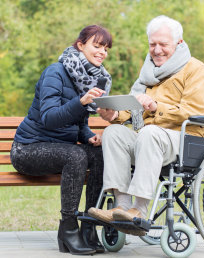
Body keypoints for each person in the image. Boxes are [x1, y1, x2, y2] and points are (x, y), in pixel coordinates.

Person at [88, 15, 204, 235]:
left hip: (190, 140)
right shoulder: (148, 73)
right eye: (152, 44)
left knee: (149, 132)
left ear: (178, 43)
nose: (157, 50)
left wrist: (156, 107)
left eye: (163, 44)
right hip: (153, 138)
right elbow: (132, 107)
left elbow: (195, 111)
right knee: (114, 133)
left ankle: (140, 209)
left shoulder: (195, 69)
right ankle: (122, 207)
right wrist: (114, 114)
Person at [10, 25, 112, 255]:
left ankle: (89, 226)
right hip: (28, 149)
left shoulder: (91, 78)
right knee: (75, 155)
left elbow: (79, 126)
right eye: (96, 46)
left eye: (105, 48)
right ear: (80, 45)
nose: (102, 52)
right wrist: (81, 102)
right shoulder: (55, 72)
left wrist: (90, 137)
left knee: (99, 154)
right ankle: (68, 228)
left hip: (60, 148)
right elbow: (48, 119)